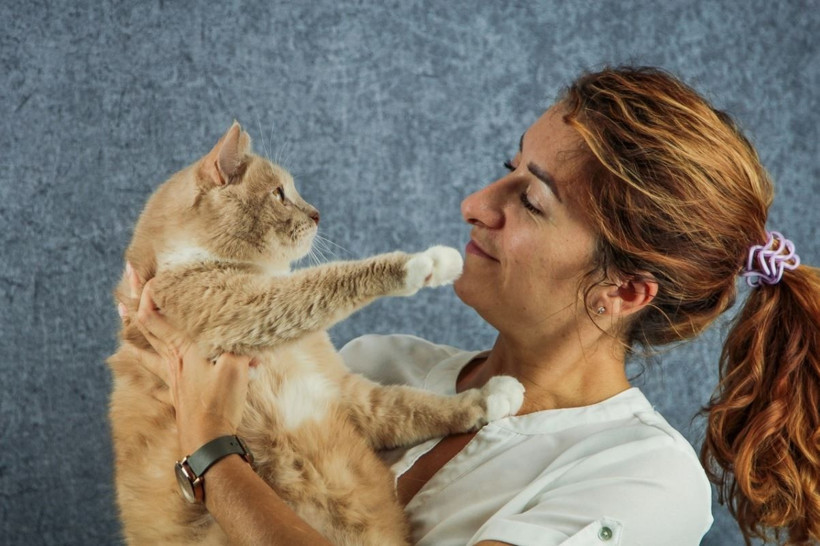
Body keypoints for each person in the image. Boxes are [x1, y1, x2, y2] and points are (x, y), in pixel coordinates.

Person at [122, 66, 820, 545]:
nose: (475, 204)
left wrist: (210, 447)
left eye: (531, 200)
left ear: (624, 291)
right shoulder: (379, 361)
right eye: (506, 165)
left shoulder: (640, 477)